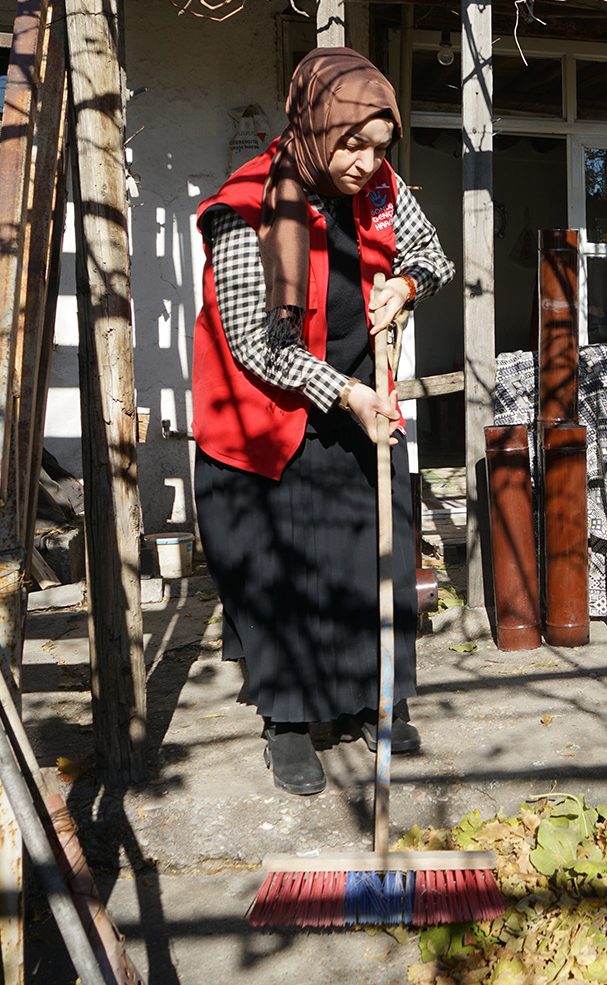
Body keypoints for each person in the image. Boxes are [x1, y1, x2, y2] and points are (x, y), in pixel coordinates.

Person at [190, 47, 455, 796]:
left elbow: (433, 254)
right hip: (268, 416)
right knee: (293, 568)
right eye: (353, 144)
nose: (368, 163)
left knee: (374, 557)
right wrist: (345, 392)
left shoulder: (381, 188)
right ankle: (288, 720)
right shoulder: (243, 208)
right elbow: (256, 343)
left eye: (380, 147)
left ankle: (379, 698)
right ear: (313, 125)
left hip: (359, 402)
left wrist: (405, 283)